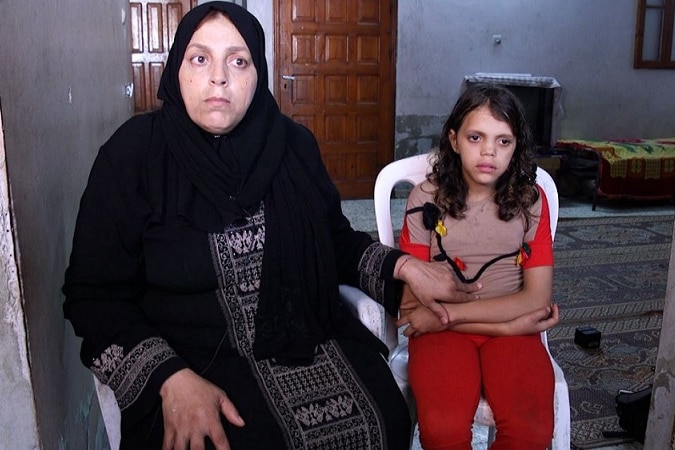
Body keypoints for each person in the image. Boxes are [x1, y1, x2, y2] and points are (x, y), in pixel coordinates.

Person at [61, 3, 509, 449]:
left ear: (258, 74)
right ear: (177, 68)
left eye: (239, 61)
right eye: (200, 59)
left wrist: (403, 269)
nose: (219, 77)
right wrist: (169, 379)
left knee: (383, 419)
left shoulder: (291, 146)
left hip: (303, 337)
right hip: (190, 359)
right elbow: (94, 296)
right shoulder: (133, 157)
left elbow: (333, 242)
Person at [396, 83, 560, 450]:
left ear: (517, 147)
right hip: (449, 334)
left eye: (504, 141)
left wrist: (453, 316)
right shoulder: (426, 198)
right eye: (476, 137)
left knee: (530, 431)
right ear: (453, 140)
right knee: (442, 429)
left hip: (487, 328)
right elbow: (412, 310)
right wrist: (509, 322)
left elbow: (536, 299)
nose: (490, 151)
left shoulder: (531, 202)